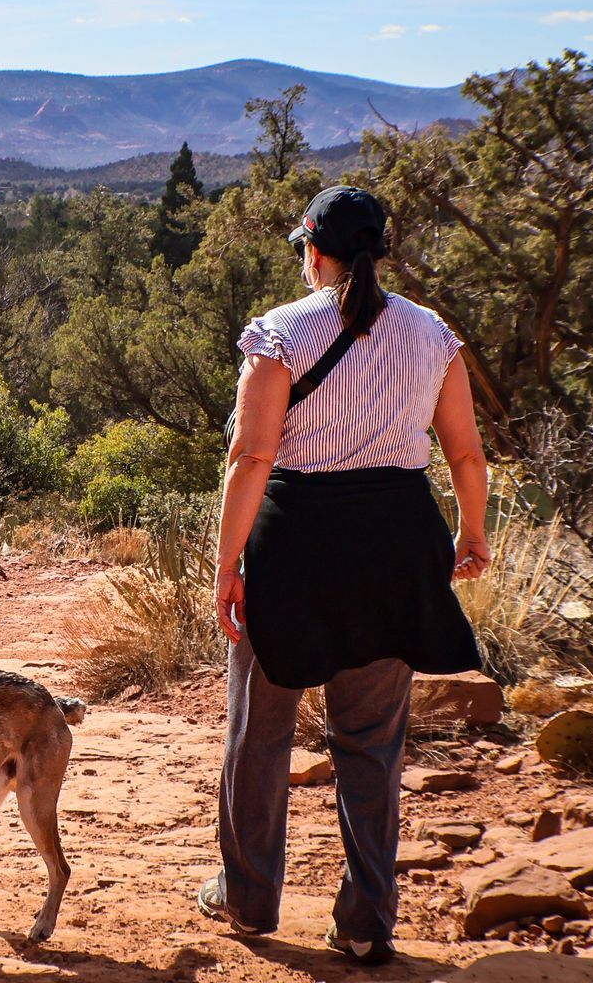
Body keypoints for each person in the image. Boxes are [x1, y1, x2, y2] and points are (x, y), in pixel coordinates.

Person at [199, 184, 489, 967]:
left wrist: (227, 567)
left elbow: (252, 457)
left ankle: (249, 898)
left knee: (258, 731)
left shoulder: (282, 333)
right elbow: (464, 451)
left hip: (296, 549)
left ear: (314, 251)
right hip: (398, 547)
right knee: (370, 743)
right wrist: (471, 530)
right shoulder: (431, 334)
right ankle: (366, 922)